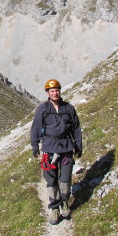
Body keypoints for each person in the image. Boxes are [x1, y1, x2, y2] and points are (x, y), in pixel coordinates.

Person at [30, 79, 82, 225]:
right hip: (49, 150)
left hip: (66, 148)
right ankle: (54, 207)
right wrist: (35, 147)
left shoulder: (69, 108)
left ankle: (64, 202)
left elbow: (76, 129)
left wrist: (78, 146)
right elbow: (35, 128)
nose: (55, 93)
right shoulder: (43, 109)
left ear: (60, 91)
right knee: (51, 181)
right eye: (52, 91)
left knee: (65, 179)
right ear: (48, 93)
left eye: (57, 90)